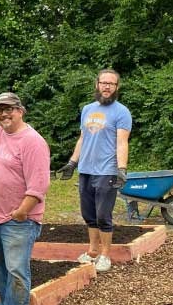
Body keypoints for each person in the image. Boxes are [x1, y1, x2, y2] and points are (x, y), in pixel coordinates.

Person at [0, 92, 51, 305]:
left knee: (17, 270)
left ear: (21, 110)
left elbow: (40, 183)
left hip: (19, 219)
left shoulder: (32, 142)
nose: (4, 114)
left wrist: (23, 210)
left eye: (9, 109)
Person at [55, 69, 132, 273]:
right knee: (88, 214)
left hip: (106, 170)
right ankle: (92, 252)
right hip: (86, 169)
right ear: (97, 84)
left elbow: (122, 142)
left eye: (111, 84)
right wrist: (72, 163)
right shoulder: (87, 109)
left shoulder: (121, 112)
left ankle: (105, 254)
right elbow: (83, 138)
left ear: (117, 87)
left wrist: (121, 169)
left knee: (103, 215)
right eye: (103, 82)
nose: (107, 86)